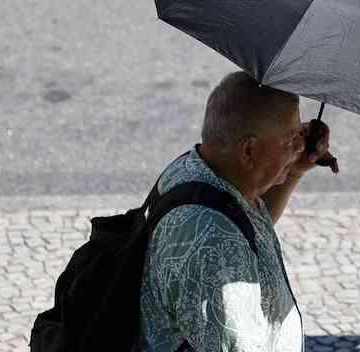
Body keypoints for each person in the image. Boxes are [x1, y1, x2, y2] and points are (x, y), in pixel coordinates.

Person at [138, 71, 338, 352]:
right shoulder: (212, 245)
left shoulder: (202, 170)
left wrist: (292, 169)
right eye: (291, 138)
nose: (299, 147)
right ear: (248, 151)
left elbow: (247, 229)